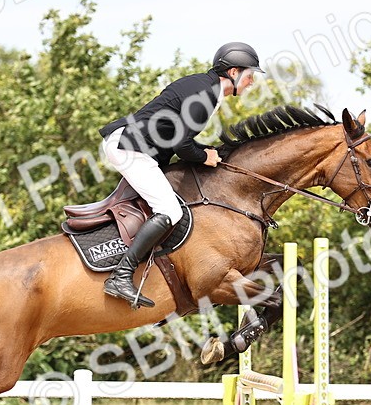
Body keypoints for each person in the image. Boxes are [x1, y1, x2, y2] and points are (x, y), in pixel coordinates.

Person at [98, 42, 263, 308]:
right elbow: (181, 145)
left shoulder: (205, 88)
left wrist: (204, 152)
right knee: (170, 211)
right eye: (250, 75)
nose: (252, 82)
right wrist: (204, 155)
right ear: (234, 72)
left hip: (138, 147)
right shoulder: (206, 94)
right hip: (130, 148)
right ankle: (121, 275)